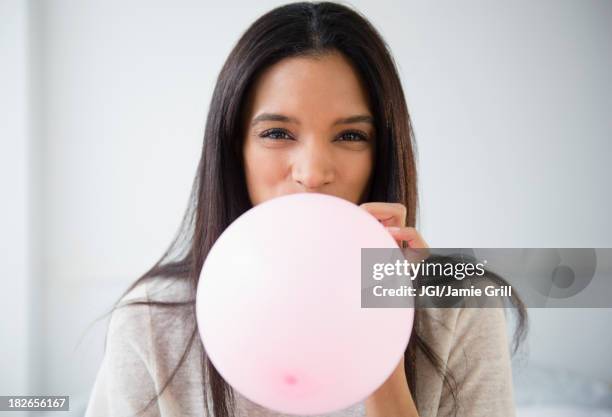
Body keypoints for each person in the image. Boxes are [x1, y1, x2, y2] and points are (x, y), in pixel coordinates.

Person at [84, 2, 527, 417]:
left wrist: (381, 337)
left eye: (351, 136)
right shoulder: (152, 321)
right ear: (234, 149)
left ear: (383, 153)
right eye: (277, 133)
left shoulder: (459, 307)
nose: (313, 173)